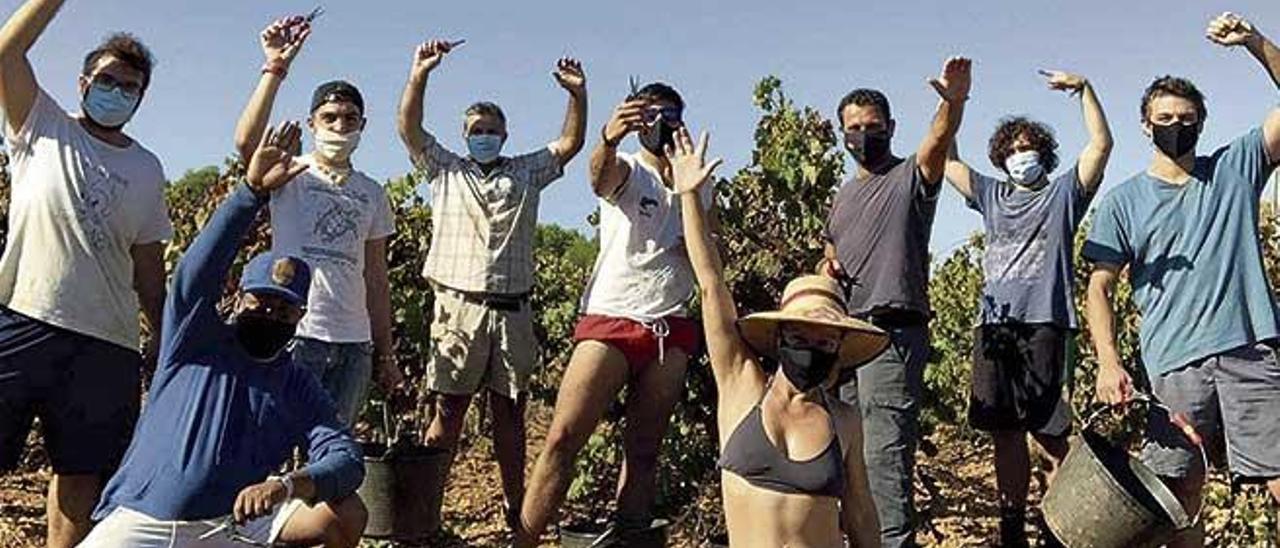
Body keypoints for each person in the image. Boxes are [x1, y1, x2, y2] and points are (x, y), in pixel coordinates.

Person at [80, 121, 367, 548]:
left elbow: (346, 458)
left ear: (299, 317)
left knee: (346, 513)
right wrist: (250, 192)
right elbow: (195, 275)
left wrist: (288, 485)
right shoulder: (194, 340)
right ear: (237, 302)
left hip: (230, 525)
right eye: (260, 302)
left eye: (283, 308)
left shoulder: (296, 384)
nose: (270, 314)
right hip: (144, 521)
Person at [1084, 12, 1280, 548]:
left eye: (1187, 116)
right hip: (1172, 364)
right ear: (1145, 125)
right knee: (1177, 493)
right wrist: (1108, 360)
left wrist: (1256, 43)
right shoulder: (1122, 202)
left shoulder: (1236, 168)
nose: (1177, 125)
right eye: (1165, 116)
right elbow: (1099, 287)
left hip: (1248, 351)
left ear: (1202, 122)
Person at [396, 38, 587, 530]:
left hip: (513, 311)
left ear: (505, 135)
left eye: (492, 130)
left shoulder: (526, 171)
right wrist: (420, 73)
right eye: (476, 130)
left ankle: (515, 515)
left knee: (511, 417)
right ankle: (426, 518)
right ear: (465, 137)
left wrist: (577, 96)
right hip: (457, 309)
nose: (484, 136)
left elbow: (569, 145)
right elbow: (410, 129)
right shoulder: (445, 170)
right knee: (447, 414)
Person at [0, 1, 171, 546]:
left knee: (81, 478)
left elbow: (148, 268)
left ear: (141, 99)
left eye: (129, 88)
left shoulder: (147, 169)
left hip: (107, 344)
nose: (116, 92)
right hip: (22, 319)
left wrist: (164, 337)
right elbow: (6, 52)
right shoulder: (40, 124)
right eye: (107, 80)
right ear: (82, 82)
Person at [668, 126, 884, 546]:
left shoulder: (844, 420)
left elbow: (860, 513)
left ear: (839, 346)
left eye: (826, 340)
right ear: (781, 334)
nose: (814, 348)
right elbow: (712, 286)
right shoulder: (741, 385)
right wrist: (690, 198)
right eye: (803, 335)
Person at [516, 82, 708, 545]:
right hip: (613, 320)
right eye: (649, 115)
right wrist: (606, 138)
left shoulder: (696, 178)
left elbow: (710, 244)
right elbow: (600, 177)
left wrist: (692, 198)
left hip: (671, 327)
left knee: (644, 450)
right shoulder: (630, 170)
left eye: (669, 114)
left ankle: (629, 537)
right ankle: (522, 541)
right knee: (563, 438)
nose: (660, 124)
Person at [943, 69, 1112, 545]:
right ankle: (1012, 527)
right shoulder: (992, 195)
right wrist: (955, 104)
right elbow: (947, 160)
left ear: (1043, 152)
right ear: (1001, 158)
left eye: (1027, 147)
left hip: (1045, 325)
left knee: (1052, 433)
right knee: (1004, 432)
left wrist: (1085, 90)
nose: (1021, 156)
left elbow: (1100, 145)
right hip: (993, 328)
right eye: (1013, 150)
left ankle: (1061, 525)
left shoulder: (1063, 194)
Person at [822, 56, 971, 547]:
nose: (863, 134)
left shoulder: (911, 176)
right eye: (854, 127)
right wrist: (828, 270)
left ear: (890, 128)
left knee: (884, 459)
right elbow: (831, 252)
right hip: (844, 338)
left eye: (872, 126)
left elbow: (937, 140)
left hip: (891, 334)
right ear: (842, 134)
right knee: (846, 454)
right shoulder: (841, 198)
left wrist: (953, 102)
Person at [233, 14, 401, 426]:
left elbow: (376, 278)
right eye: (330, 118)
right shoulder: (290, 171)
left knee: (330, 452)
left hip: (353, 345)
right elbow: (246, 142)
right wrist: (275, 68)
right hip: (294, 333)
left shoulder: (372, 193)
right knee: (272, 444)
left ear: (363, 125)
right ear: (312, 124)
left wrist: (385, 353)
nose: (340, 126)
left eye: (349, 118)